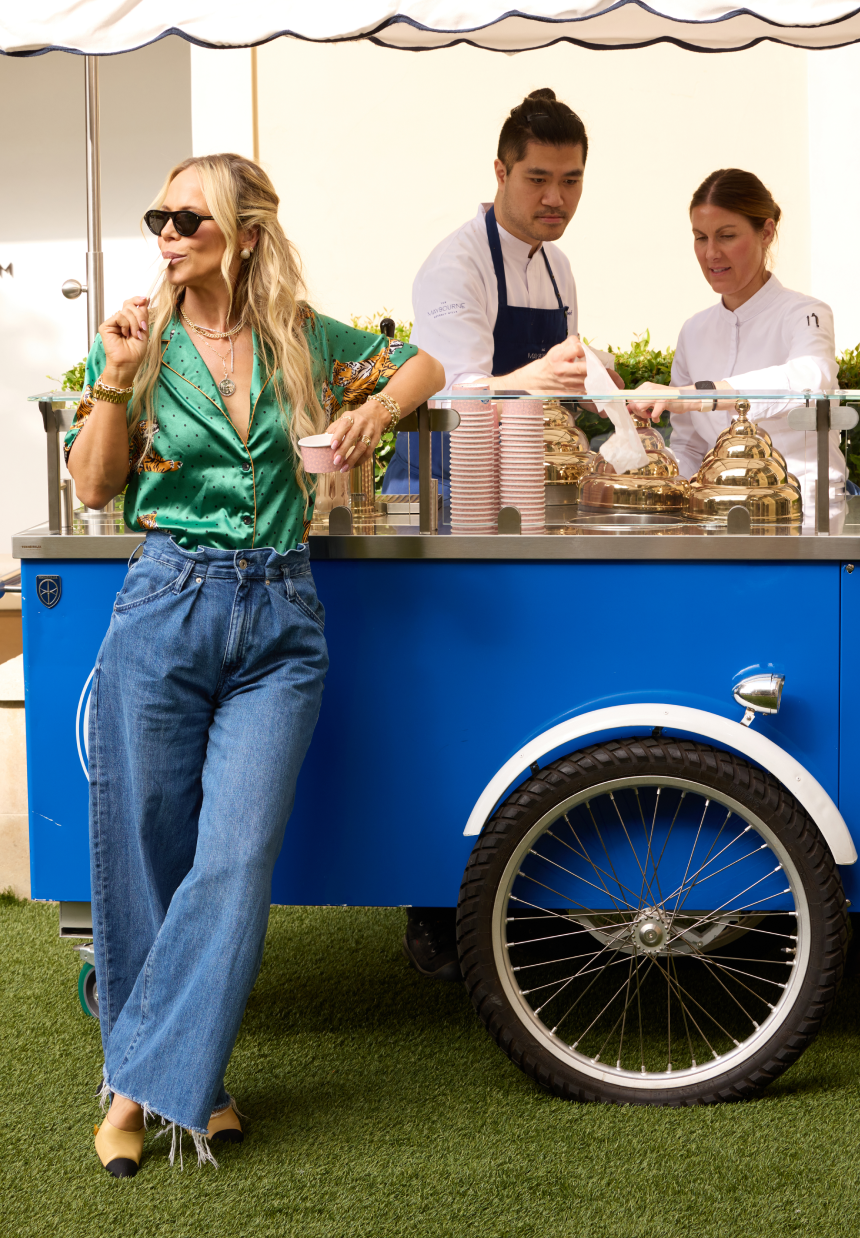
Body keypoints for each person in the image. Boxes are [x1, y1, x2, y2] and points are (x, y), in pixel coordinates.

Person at [65, 153, 443, 1178]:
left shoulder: (297, 337)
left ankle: (136, 1084)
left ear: (243, 233)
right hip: (165, 604)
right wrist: (109, 369)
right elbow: (97, 486)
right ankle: (191, 1085)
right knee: (148, 853)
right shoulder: (139, 343)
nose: (167, 232)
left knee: (231, 860)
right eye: (160, 216)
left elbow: (422, 365)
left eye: (187, 217)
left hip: (281, 616)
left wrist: (374, 413)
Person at [392, 89, 621, 981]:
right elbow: (452, 393)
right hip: (446, 496)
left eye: (570, 181)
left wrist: (604, 438)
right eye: (538, 179)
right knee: (451, 699)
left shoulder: (558, 266)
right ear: (498, 173)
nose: (555, 198)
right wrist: (549, 371)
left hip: (519, 494)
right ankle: (431, 910)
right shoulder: (455, 265)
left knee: (520, 695)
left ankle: (521, 888)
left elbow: (551, 403)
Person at [626, 168, 842, 512]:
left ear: (766, 232)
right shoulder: (693, 330)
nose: (711, 253)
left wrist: (698, 396)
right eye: (700, 237)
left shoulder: (806, 313)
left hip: (804, 509)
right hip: (715, 514)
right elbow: (690, 447)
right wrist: (643, 476)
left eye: (726, 236)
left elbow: (811, 378)